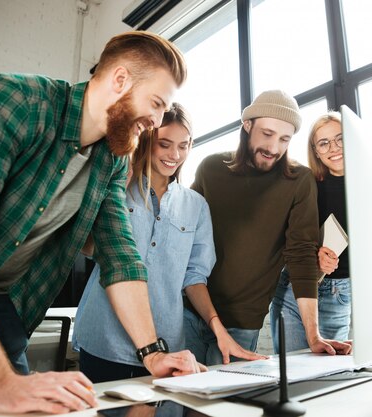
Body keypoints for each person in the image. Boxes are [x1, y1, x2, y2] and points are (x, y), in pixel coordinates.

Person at [0, 31, 204, 414]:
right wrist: (1, 383)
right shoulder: (14, 102)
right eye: (156, 103)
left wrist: (153, 354)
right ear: (120, 80)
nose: (156, 121)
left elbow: (120, 256)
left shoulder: (111, 160)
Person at [73, 103, 265, 382]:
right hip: (104, 335)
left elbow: (194, 277)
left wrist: (219, 330)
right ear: (148, 140)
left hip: (166, 342)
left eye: (183, 146)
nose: (175, 155)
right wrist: (119, 181)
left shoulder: (196, 206)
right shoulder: (119, 187)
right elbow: (86, 246)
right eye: (164, 144)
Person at [183, 90, 352, 365]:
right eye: (267, 134)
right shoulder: (211, 168)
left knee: (228, 407)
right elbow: (183, 236)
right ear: (247, 125)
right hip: (188, 311)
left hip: (243, 322)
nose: (274, 147)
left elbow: (300, 254)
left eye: (284, 139)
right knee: (175, 402)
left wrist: (314, 335)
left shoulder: (300, 180)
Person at [270, 111, 351, 353]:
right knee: (293, 371)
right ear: (315, 151)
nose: (333, 148)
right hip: (293, 288)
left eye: (340, 139)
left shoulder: (368, 185)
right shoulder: (307, 184)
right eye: (323, 143)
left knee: (330, 372)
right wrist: (316, 255)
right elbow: (286, 239)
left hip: (338, 291)